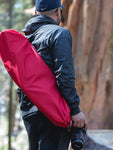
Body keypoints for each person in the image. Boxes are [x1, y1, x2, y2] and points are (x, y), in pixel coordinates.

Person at [17, 0, 88, 150]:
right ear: (58, 12)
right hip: (53, 111)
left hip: (29, 112)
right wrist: (75, 110)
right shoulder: (59, 33)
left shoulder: (26, 39)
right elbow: (64, 75)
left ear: (36, 13)